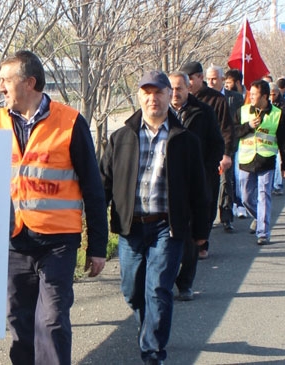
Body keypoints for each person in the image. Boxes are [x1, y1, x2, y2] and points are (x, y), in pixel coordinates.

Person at [0, 50, 108, 365]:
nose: (0, 88)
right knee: (19, 321)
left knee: (52, 321)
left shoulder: (70, 121)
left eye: (5, 81)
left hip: (57, 242)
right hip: (13, 241)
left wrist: (97, 246)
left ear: (29, 82)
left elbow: (93, 187)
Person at [100, 70, 209, 364]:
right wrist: (95, 231)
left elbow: (200, 189)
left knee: (159, 289)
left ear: (168, 96)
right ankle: (149, 328)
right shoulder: (121, 137)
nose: (153, 98)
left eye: (158, 92)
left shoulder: (185, 139)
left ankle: (152, 352)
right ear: (139, 97)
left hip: (167, 227)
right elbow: (104, 184)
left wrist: (201, 232)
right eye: (146, 93)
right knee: (133, 292)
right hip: (130, 228)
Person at [168, 71, 223, 302]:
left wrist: (204, 171)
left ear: (188, 88)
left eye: (179, 88)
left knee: (190, 237)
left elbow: (217, 145)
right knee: (168, 236)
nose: (175, 93)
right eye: (170, 89)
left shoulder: (203, 113)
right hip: (169, 185)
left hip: (194, 184)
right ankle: (164, 280)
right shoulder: (161, 115)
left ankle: (186, 283)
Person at [180, 61, 234, 259]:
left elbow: (226, 129)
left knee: (207, 201)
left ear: (199, 78)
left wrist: (226, 154)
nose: (188, 85)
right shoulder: (178, 101)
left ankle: (203, 241)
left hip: (207, 162)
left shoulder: (216, 101)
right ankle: (188, 242)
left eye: (190, 80)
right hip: (185, 164)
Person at [235, 80, 285, 245]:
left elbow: (284, 141)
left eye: (254, 94)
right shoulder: (243, 111)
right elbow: (232, 131)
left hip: (266, 160)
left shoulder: (277, 114)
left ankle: (263, 232)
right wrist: (247, 126)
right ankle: (259, 218)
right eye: (250, 94)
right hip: (246, 160)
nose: (251, 97)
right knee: (245, 197)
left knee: (264, 196)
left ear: (265, 96)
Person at [206, 65, 242, 233]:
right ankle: (208, 216)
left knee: (226, 180)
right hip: (208, 147)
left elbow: (236, 123)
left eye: (215, 79)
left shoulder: (234, 98)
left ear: (222, 79)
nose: (211, 82)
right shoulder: (202, 98)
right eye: (209, 79)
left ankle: (226, 216)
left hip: (227, 146)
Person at [224, 69, 248, 219]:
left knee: (241, 177)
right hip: (231, 142)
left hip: (246, 143)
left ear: (237, 82)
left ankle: (242, 203)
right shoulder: (225, 98)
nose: (226, 85)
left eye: (229, 83)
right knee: (230, 176)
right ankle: (233, 203)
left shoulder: (246, 97)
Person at [269, 83, 285, 196]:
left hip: (280, 135)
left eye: (274, 94)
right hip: (267, 137)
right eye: (270, 95)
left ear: (278, 93)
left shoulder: (284, 103)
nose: (272, 97)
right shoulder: (265, 103)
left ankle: (278, 185)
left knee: (279, 161)